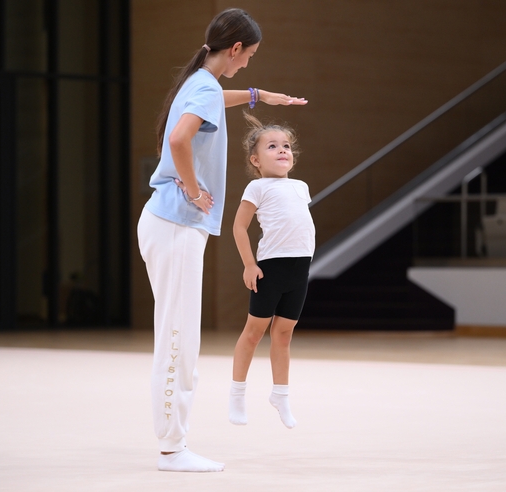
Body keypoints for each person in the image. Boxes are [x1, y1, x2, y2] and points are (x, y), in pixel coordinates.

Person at [137, 8, 307, 473]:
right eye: (248, 56)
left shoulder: (201, 81)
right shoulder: (203, 87)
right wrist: (193, 189)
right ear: (234, 49)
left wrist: (258, 95)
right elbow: (178, 140)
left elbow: (211, 102)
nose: (247, 63)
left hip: (168, 224)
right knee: (178, 338)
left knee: (177, 334)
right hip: (176, 225)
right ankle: (172, 449)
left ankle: (173, 443)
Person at [228, 113, 315, 430]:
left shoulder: (301, 187)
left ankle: (281, 394)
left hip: (299, 267)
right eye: (273, 146)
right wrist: (249, 264)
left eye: (287, 146)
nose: (283, 151)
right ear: (255, 159)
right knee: (254, 333)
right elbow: (239, 227)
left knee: (284, 334)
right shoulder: (257, 187)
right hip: (270, 269)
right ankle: (237, 393)